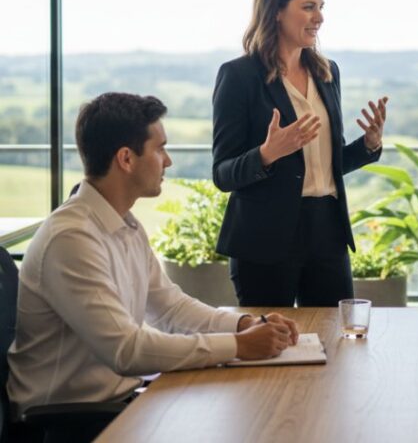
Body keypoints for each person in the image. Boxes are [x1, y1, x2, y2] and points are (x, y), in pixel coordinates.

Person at [7, 93, 296, 430]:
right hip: (65, 423)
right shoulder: (70, 239)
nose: (168, 161)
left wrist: (243, 325)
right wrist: (237, 346)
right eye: (159, 149)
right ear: (126, 159)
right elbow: (127, 350)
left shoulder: (124, 224)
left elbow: (170, 309)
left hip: (117, 406)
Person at [213, 0, 388, 307]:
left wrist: (368, 145)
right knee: (271, 348)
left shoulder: (327, 73)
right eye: (308, 7)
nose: (319, 18)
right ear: (276, 10)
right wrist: (267, 153)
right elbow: (222, 173)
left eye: (321, 7)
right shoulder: (239, 76)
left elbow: (328, 162)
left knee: (335, 346)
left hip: (327, 232)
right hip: (264, 240)